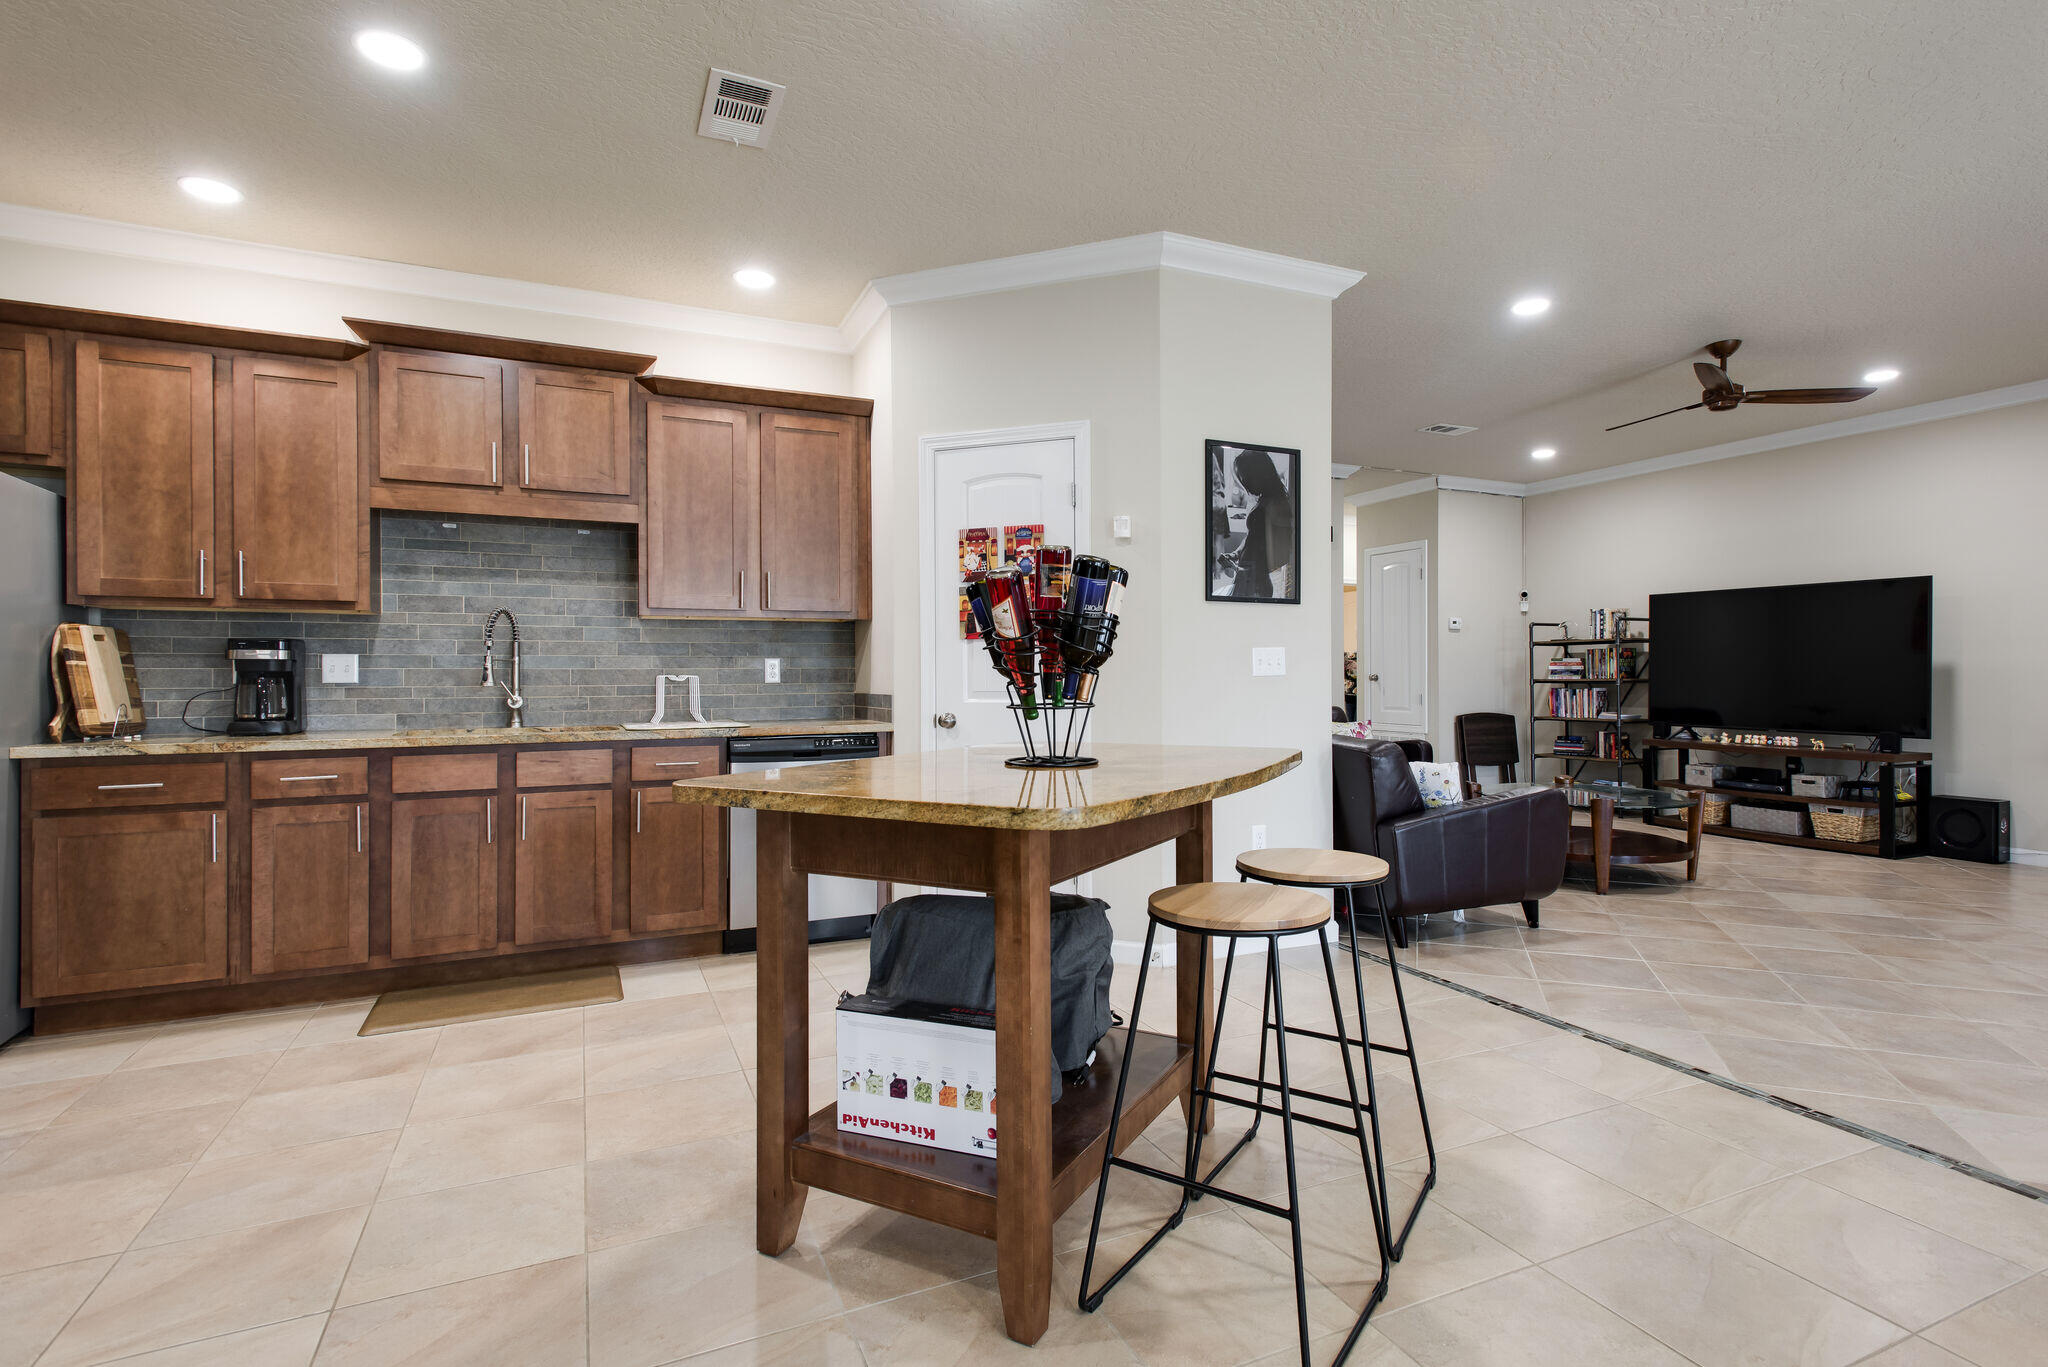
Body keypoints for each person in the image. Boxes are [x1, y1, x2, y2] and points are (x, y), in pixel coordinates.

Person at [1223, 450, 1293, 598]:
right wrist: (1236, 554)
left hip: (1256, 584)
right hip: (1249, 578)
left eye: (1246, 476)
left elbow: (1281, 554)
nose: (1244, 481)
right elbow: (1253, 537)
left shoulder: (1277, 504)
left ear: (1259, 474)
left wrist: (1245, 569)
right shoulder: (1266, 499)